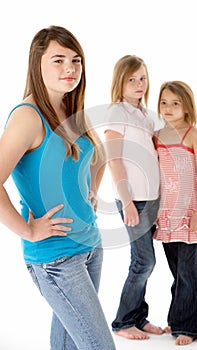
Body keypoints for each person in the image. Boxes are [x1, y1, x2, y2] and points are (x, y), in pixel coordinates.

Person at [0, 25, 116, 350]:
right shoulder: (27, 117)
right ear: (37, 64)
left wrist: (90, 193)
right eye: (58, 60)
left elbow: (99, 156)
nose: (70, 68)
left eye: (76, 60)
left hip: (91, 247)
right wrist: (28, 230)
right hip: (56, 259)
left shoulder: (72, 109)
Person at [104, 55, 164, 340]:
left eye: (143, 78)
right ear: (121, 81)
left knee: (143, 260)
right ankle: (123, 322)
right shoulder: (117, 111)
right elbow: (114, 160)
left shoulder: (144, 114)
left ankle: (139, 317)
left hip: (152, 198)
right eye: (132, 79)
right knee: (144, 261)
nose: (139, 84)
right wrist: (126, 201)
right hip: (134, 200)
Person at [153, 80, 197, 346]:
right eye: (164, 102)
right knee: (178, 273)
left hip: (188, 214)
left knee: (189, 274)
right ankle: (179, 320)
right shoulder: (158, 135)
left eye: (175, 103)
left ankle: (190, 326)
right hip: (167, 214)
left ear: (187, 106)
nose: (168, 107)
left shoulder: (194, 135)